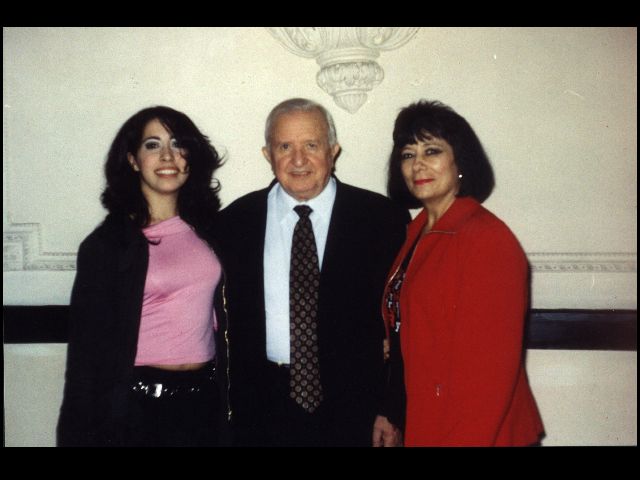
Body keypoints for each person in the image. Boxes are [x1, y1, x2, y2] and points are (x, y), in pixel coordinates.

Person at [215, 98, 411, 447]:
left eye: (311, 145)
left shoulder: (382, 219)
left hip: (356, 408)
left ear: (333, 151)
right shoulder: (234, 223)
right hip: (261, 410)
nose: (298, 160)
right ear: (267, 154)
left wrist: (391, 408)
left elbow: (404, 324)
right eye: (285, 147)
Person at [57, 106, 228, 447]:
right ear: (133, 160)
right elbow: (85, 360)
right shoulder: (107, 246)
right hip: (138, 413)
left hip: (205, 406)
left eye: (178, 144)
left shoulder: (211, 231)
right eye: (152, 145)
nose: (167, 155)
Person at [383, 99, 544, 446]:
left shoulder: (485, 238)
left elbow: (490, 373)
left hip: (476, 431)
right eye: (408, 154)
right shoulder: (416, 232)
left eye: (432, 151)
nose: (418, 164)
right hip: (429, 419)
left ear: (460, 161)